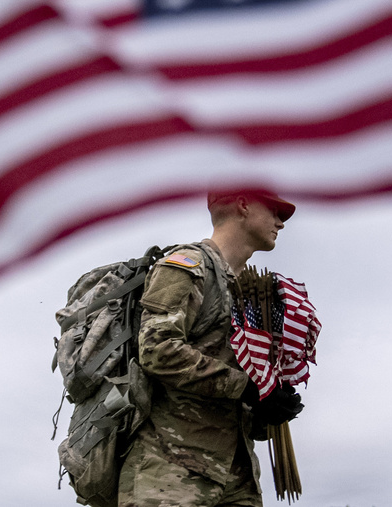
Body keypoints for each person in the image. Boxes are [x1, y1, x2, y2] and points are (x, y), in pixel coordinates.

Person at [117, 189, 304, 507]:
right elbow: (156, 349)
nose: (280, 223)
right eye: (274, 211)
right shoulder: (184, 266)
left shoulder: (248, 291)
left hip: (237, 478)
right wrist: (247, 388)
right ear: (243, 204)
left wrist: (269, 404)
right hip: (171, 475)